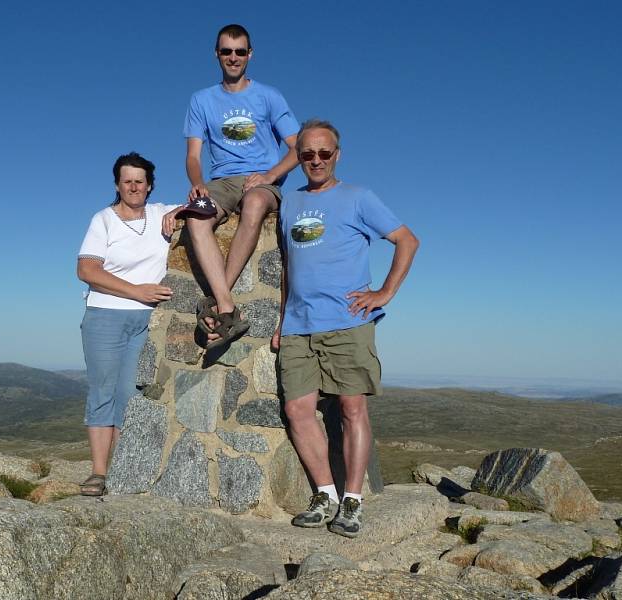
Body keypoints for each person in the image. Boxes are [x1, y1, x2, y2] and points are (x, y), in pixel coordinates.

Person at [274, 119, 420, 537]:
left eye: (324, 153)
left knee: (353, 410)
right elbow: (289, 267)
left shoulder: (359, 197)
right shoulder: (290, 203)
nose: (316, 160)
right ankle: (325, 495)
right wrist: (283, 320)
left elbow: (407, 239)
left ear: (337, 155)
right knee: (297, 410)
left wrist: (385, 292)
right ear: (298, 157)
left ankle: (352, 502)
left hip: (347, 322)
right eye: (307, 154)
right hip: (299, 325)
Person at [163, 23, 299, 349]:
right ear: (217, 54)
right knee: (196, 216)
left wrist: (269, 176)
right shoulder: (201, 100)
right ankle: (226, 306)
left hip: (261, 182)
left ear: (250, 54)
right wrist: (198, 185)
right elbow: (193, 155)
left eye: (240, 52)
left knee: (253, 203)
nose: (233, 58)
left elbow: (298, 148)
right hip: (220, 182)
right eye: (227, 51)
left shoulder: (269, 96)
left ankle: (216, 302)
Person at [76, 152, 180, 496]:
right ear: (117, 185)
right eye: (126, 181)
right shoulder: (104, 220)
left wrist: (180, 213)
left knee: (130, 396)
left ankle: (123, 471)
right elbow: (87, 270)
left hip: (147, 320)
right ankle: (99, 472)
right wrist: (137, 291)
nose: (133, 186)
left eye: (139, 181)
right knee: (103, 392)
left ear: (149, 185)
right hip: (105, 315)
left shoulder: (161, 213)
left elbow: (205, 205)